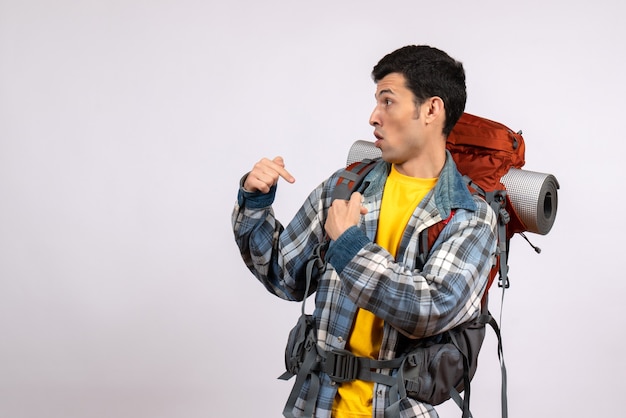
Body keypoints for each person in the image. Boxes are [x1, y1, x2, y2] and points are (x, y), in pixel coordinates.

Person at [231, 45, 498, 418]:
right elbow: (282, 274)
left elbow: (428, 310)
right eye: (376, 102)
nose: (373, 116)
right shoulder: (344, 187)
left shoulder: (469, 215)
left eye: (388, 101)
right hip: (315, 406)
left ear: (432, 110)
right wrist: (255, 204)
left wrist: (348, 245)